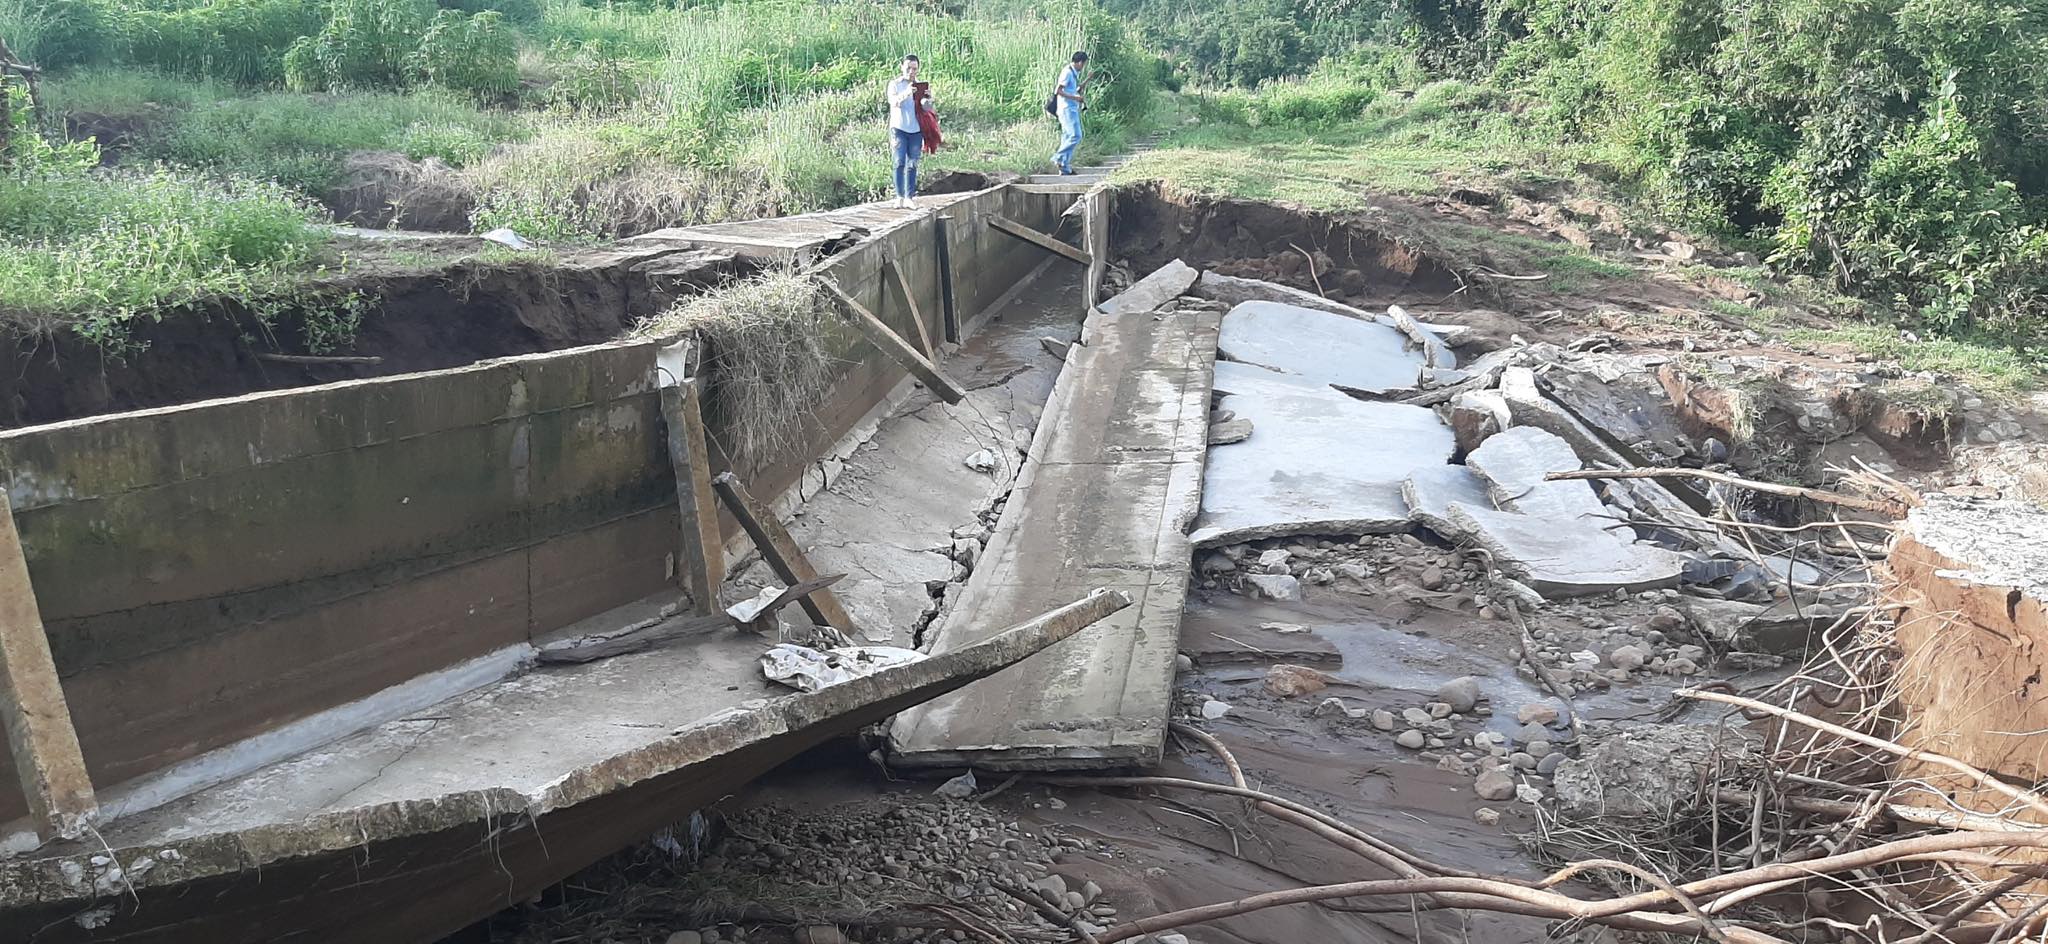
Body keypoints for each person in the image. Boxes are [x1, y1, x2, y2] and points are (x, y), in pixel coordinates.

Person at [886, 55, 926, 209]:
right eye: (908, 68)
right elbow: (893, 102)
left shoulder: (920, 85)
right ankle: (899, 196)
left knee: (913, 163)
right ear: (902, 67)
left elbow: (927, 109)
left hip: (916, 129)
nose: (911, 71)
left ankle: (909, 197)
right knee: (899, 161)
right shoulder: (895, 84)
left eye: (914, 68)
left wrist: (928, 99)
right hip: (899, 128)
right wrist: (908, 92)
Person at [1050, 51, 1088, 175]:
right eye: (1084, 64)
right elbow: (1059, 91)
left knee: (1067, 136)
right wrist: (1076, 98)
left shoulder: (1073, 73)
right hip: (1066, 109)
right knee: (1076, 135)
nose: (1083, 67)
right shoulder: (1067, 72)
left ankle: (1064, 168)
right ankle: (1058, 157)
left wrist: (1082, 86)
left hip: (1071, 108)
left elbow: (1071, 90)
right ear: (1080, 62)